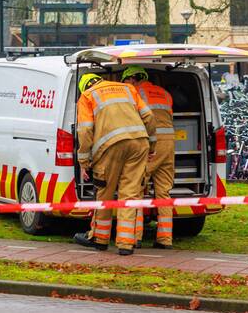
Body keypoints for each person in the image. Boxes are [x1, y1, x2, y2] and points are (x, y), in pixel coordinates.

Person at [73, 72, 157, 255]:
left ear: (85, 86)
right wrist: (151, 147)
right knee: (130, 194)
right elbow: (149, 117)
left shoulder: (87, 96)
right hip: (139, 143)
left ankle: (99, 239)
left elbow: (85, 131)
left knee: (105, 192)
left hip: (109, 147)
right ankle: (126, 244)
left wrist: (84, 161)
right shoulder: (128, 88)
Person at [122, 66, 175, 248]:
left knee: (135, 188)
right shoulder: (164, 93)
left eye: (126, 81)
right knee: (163, 192)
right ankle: (165, 239)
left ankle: (134, 237)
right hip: (169, 144)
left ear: (132, 79)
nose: (125, 85)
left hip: (152, 143)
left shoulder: (136, 93)